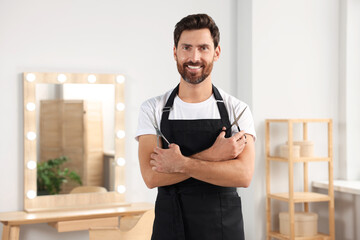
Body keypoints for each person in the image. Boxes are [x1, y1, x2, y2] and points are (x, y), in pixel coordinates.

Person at [136, 13, 256, 240]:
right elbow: (152, 177)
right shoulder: (152, 109)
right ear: (175, 52)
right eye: (186, 48)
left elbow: (243, 175)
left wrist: (179, 163)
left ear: (216, 53)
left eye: (203, 48)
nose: (194, 57)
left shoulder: (237, 110)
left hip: (222, 227)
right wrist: (213, 155)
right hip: (171, 225)